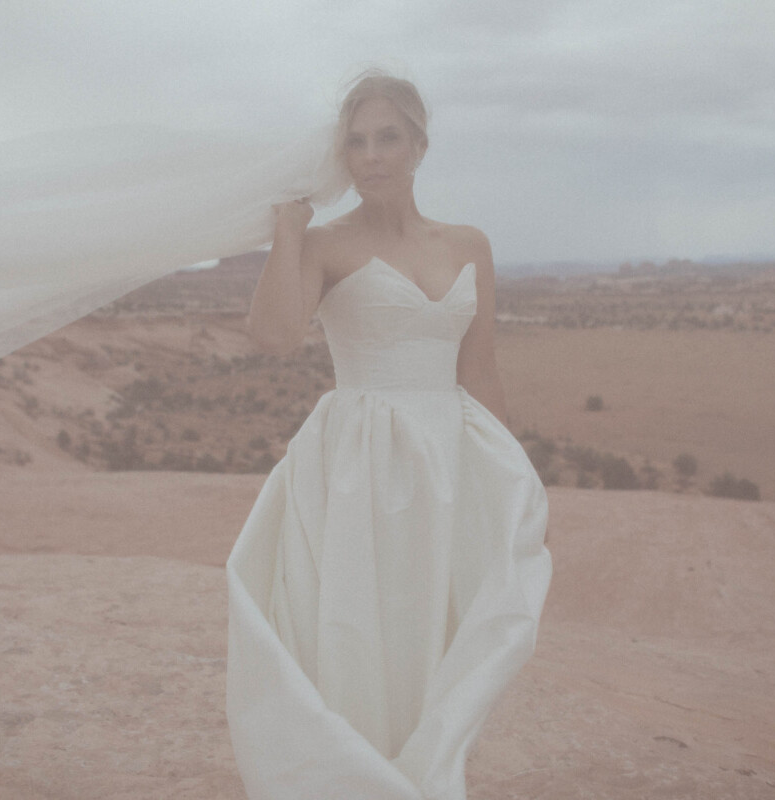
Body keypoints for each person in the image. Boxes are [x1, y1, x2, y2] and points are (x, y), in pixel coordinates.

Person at [224, 69, 553, 800]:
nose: (371, 156)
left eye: (387, 138)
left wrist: (512, 488)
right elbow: (275, 336)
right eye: (356, 142)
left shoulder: (469, 244)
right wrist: (287, 231)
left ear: (418, 145)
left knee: (432, 637)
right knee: (353, 631)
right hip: (357, 468)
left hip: (447, 467)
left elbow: (482, 370)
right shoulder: (325, 245)